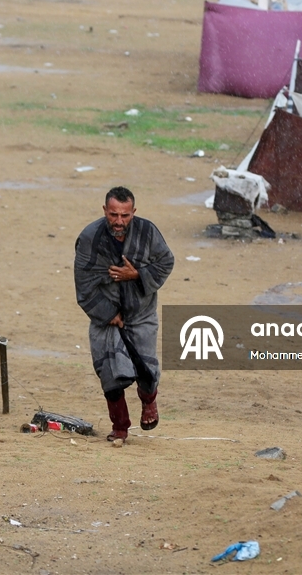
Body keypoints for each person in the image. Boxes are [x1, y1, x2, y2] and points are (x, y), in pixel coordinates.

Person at [74, 186, 174, 445]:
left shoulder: (148, 232)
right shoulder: (89, 238)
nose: (119, 221)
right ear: (105, 210)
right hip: (105, 316)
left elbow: (166, 262)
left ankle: (149, 402)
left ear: (134, 213)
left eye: (125, 216)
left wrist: (137, 275)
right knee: (109, 372)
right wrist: (109, 314)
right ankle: (120, 427)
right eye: (114, 214)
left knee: (147, 368)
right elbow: (84, 284)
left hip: (141, 312)